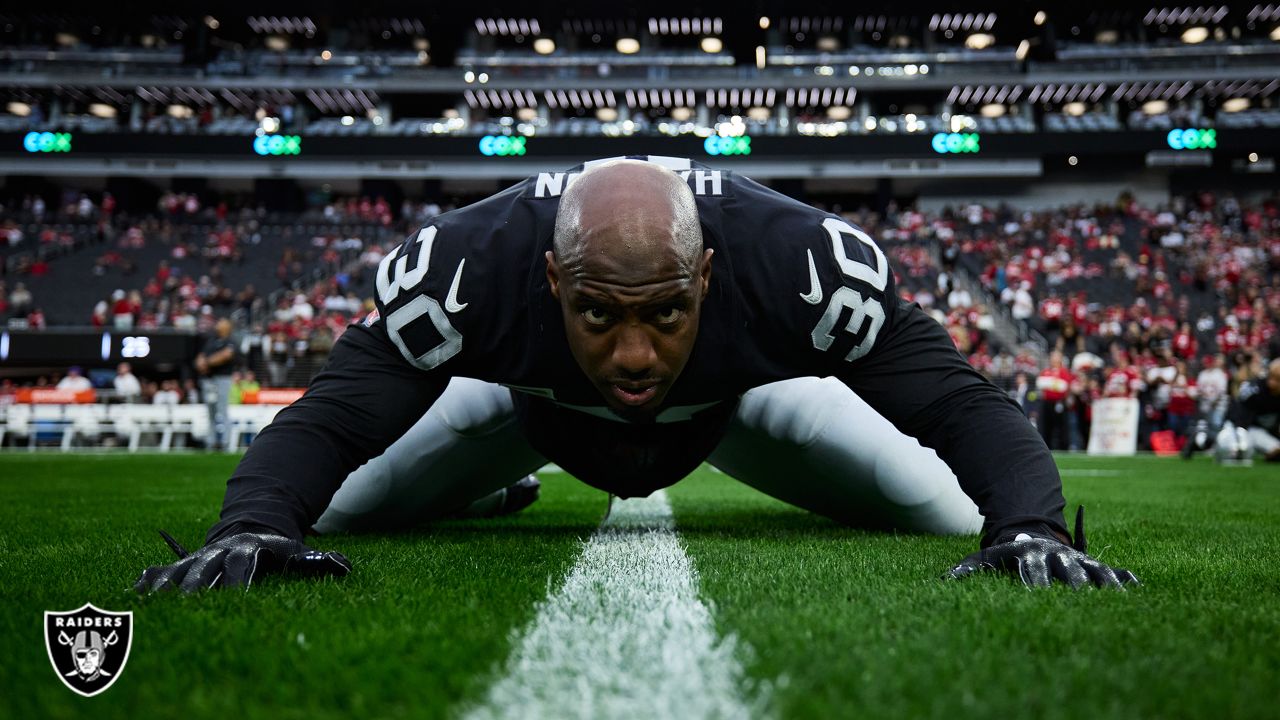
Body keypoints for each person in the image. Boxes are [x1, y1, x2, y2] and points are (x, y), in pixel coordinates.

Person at [136, 157, 1137, 594]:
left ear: (708, 274)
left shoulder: (790, 264)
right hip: (528, 412)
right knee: (322, 518)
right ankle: (485, 491)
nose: (630, 355)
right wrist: (252, 522)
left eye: (664, 312)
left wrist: (1032, 526)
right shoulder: (470, 271)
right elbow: (332, 418)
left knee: (957, 516)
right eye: (596, 312)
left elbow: (959, 405)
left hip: (733, 411)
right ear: (545, 280)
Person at [195, 318, 237, 450]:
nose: (218, 324)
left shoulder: (230, 341)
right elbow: (200, 356)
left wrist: (206, 363)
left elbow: (225, 356)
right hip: (208, 379)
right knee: (211, 411)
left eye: (221, 322)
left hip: (223, 378)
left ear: (227, 326)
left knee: (222, 409)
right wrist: (202, 363)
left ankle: (226, 443)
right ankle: (211, 442)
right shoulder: (212, 340)